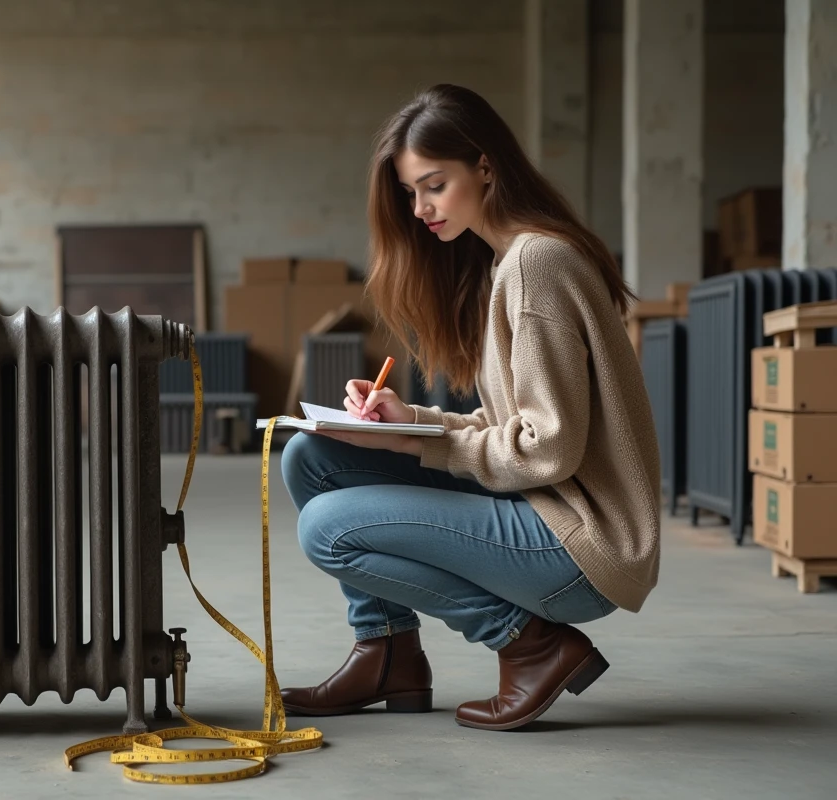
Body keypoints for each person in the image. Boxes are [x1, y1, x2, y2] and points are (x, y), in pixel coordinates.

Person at [279, 83, 660, 731]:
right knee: (312, 457)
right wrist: (410, 422)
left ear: (485, 166)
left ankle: (529, 644)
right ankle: (387, 654)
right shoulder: (504, 263)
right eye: (410, 192)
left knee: (327, 528)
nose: (421, 208)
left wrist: (413, 443)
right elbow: (510, 428)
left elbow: (548, 446)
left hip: (581, 544)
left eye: (434, 185)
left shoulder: (536, 264)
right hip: (541, 506)